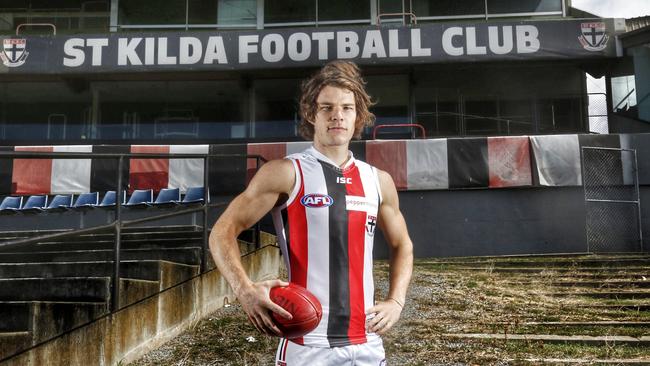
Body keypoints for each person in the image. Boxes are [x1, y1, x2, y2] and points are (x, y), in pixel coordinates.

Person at [209, 60, 413, 366]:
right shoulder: (285, 173)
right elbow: (222, 231)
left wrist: (397, 301)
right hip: (307, 346)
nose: (337, 116)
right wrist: (245, 290)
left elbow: (403, 245)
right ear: (310, 113)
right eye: (326, 107)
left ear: (358, 115)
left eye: (346, 107)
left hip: (367, 343)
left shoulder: (377, 180)